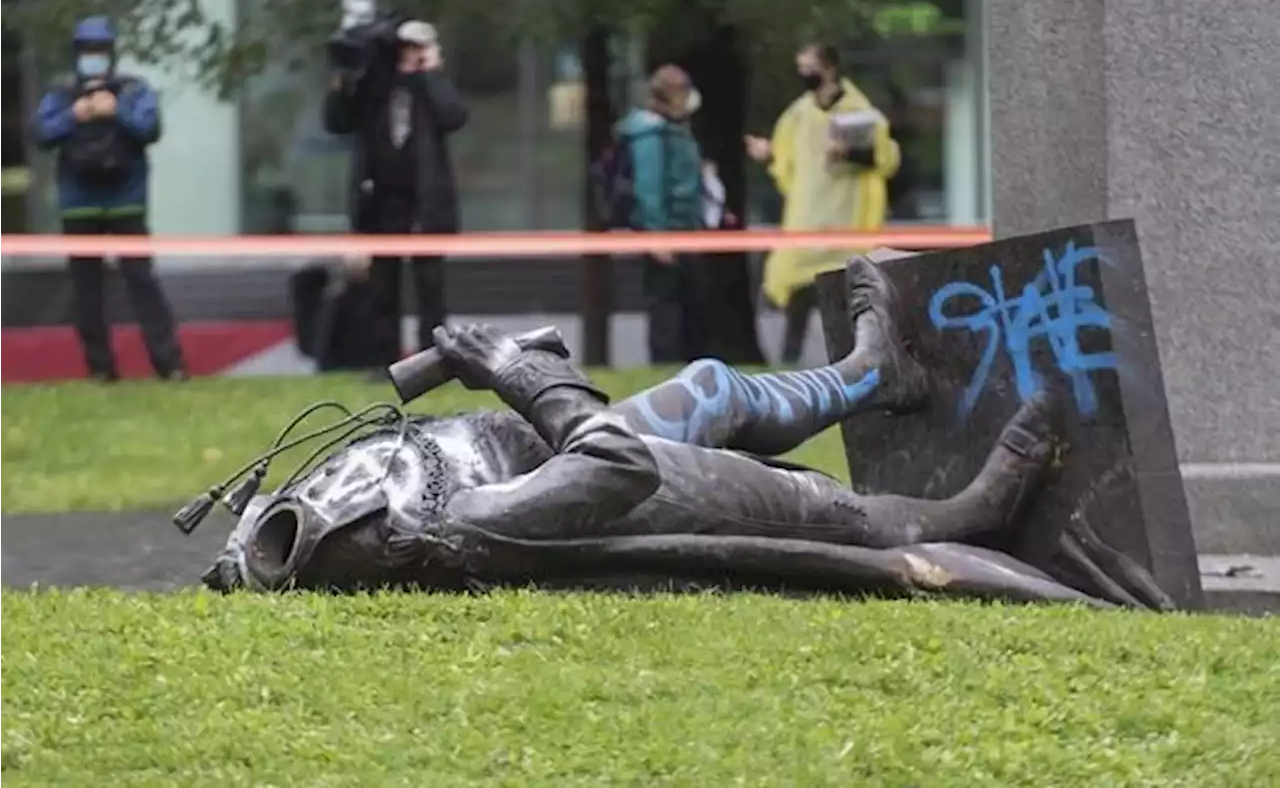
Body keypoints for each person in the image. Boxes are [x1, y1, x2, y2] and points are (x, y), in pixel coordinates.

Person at [196, 255, 1169, 610]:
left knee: (710, 386)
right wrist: (526, 375)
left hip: (569, 442)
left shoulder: (328, 518)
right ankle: (980, 508)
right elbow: (610, 463)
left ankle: (868, 375)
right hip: (615, 470)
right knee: (827, 514)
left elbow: (240, 552)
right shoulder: (466, 524)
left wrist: (514, 369)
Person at [31, 16, 186, 382]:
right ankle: (100, 370)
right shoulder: (61, 94)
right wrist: (75, 115)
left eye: (100, 50)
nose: (94, 58)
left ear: (112, 53)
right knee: (86, 291)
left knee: (142, 284)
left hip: (126, 201)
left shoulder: (133, 90)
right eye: (87, 51)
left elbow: (150, 128)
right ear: (77, 53)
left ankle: (171, 366)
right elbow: (40, 134)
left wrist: (117, 112)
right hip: (79, 203)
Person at [322, 19, 469, 374]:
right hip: (380, 202)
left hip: (425, 202)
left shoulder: (428, 89)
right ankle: (382, 363)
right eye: (402, 48)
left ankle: (432, 364)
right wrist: (344, 78)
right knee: (381, 291)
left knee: (430, 290)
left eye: (413, 48)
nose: (406, 55)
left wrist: (429, 72)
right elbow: (338, 120)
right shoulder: (375, 87)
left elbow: (455, 116)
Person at [746, 42, 900, 365]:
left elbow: (885, 159)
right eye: (800, 67)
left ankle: (850, 361)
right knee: (798, 292)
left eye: (810, 67)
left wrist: (849, 153)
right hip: (807, 219)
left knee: (844, 296)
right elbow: (787, 155)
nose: (804, 74)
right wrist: (769, 152)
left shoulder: (859, 111)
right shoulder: (798, 114)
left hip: (845, 221)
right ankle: (789, 363)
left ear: (829, 69)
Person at [615, 64, 708, 364]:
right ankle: (666, 369)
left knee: (691, 309)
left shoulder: (673, 130)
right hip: (668, 234)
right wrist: (657, 236)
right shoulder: (651, 134)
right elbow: (649, 187)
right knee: (666, 310)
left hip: (685, 230)